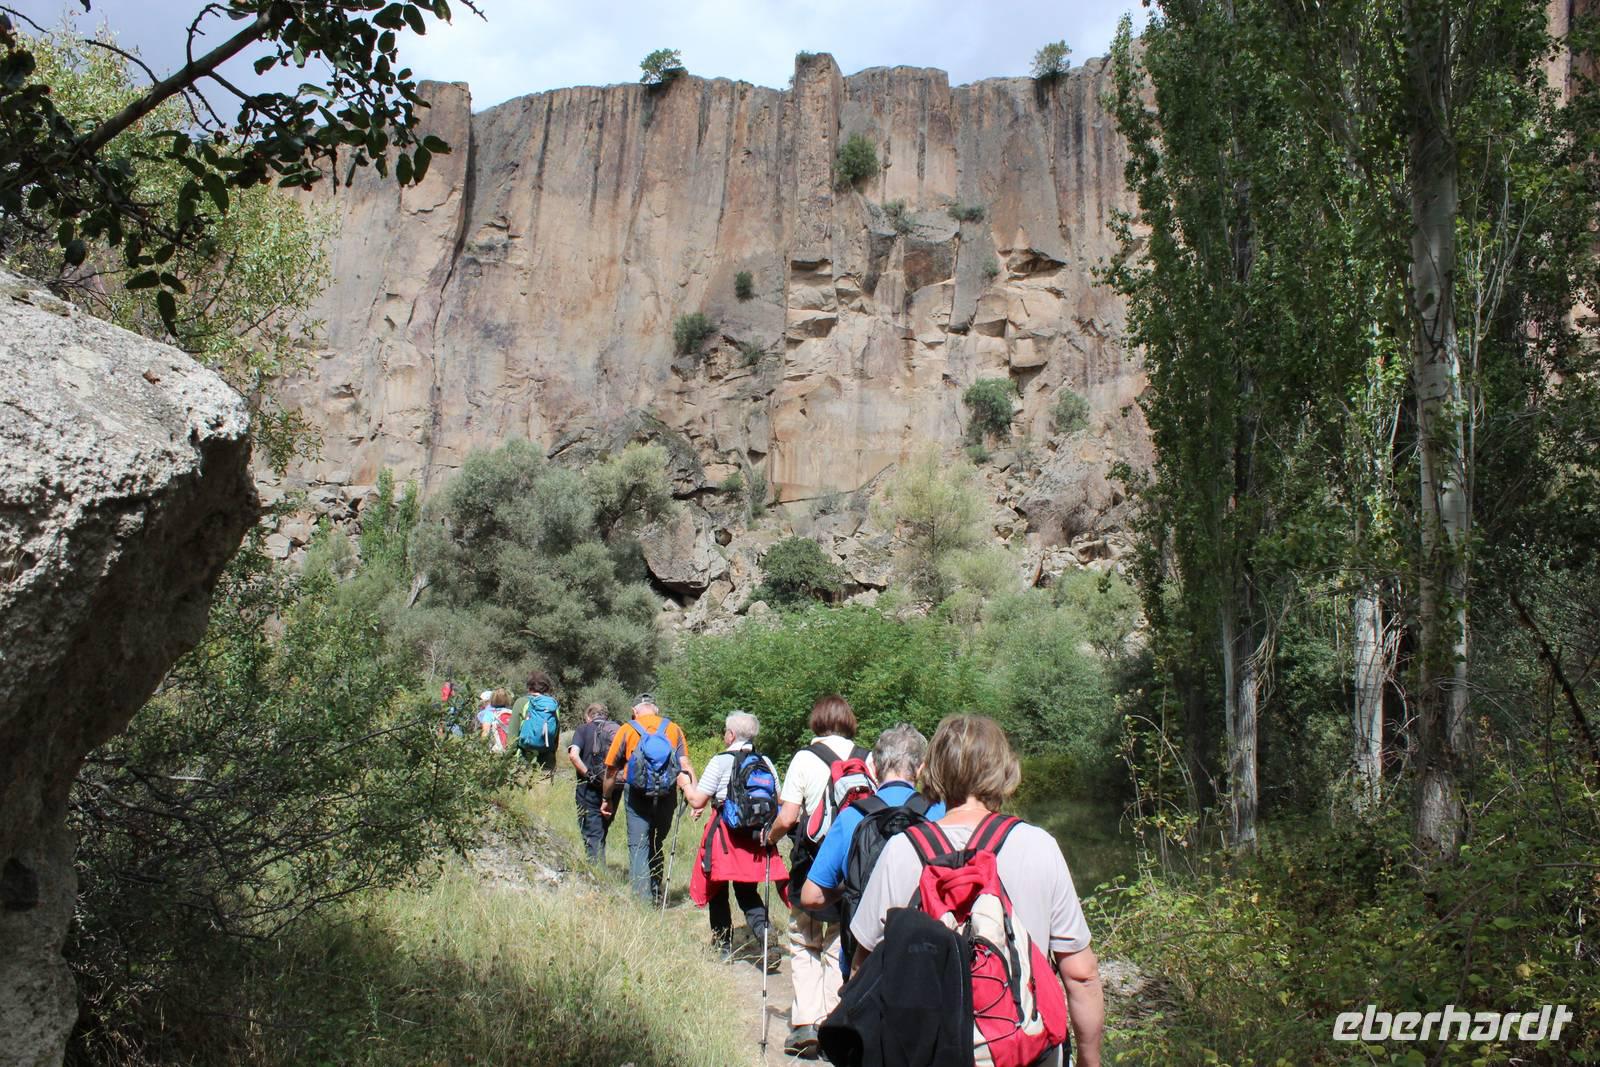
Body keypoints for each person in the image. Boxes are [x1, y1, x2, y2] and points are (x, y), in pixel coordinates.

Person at [846, 715, 1105, 1067]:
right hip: (1022, 1049)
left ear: (931, 769)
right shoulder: (1039, 847)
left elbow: (863, 969)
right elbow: (1081, 975)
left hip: (929, 1052)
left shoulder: (902, 850)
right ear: (1003, 769)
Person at [761, 694, 873, 1059]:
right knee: (840, 943)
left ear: (817, 720)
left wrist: (770, 837)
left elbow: (789, 816)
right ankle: (831, 1023)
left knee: (803, 937)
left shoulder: (804, 758)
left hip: (812, 864)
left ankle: (806, 1022)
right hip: (855, 866)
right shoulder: (867, 757)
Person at [797, 722, 945, 965]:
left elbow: (811, 896)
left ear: (874, 767)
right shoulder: (940, 814)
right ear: (920, 769)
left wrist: (848, 889)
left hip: (864, 961)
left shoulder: (851, 816)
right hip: (926, 957)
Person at [682, 710, 788, 961]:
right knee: (746, 890)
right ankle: (766, 937)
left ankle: (722, 947)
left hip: (724, 834)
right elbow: (779, 798)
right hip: (753, 837)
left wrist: (685, 783)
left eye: (725, 732)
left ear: (731, 735)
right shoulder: (765, 762)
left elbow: (697, 799)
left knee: (717, 889)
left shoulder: (720, 761)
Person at [602, 694, 697, 904]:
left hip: (636, 794)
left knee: (638, 845)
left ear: (635, 711)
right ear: (655, 709)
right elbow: (685, 766)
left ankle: (642, 901)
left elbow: (611, 770)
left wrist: (606, 797)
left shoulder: (627, 729)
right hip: (667, 794)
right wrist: (694, 797)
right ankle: (655, 890)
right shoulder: (673, 729)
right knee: (657, 841)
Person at [566, 702, 619, 864]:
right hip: (613, 787)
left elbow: (574, 755)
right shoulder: (617, 729)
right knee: (602, 828)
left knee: (591, 832)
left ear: (588, 716)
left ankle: (597, 872)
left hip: (588, 786)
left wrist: (589, 775)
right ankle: (599, 865)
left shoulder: (583, 729)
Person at [514, 670, 561, 772]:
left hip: (523, 763)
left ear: (529, 686)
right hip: (547, 763)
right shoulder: (553, 705)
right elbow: (555, 736)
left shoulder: (521, 702)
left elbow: (512, 738)